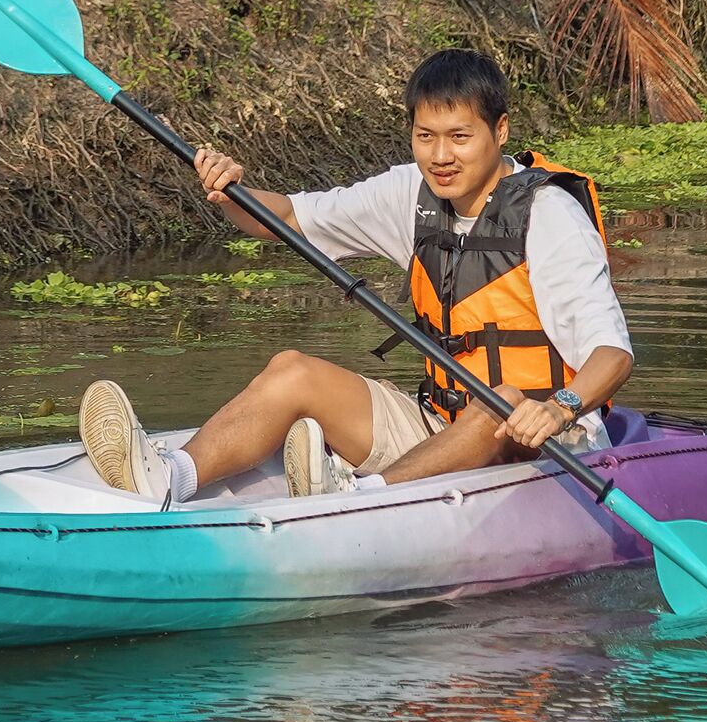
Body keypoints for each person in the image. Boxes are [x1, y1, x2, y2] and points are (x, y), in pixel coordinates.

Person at [74, 47, 634, 505]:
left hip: (546, 444)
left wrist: (559, 406)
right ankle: (171, 477)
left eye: (459, 137)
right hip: (439, 423)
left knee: (499, 400)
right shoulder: (411, 194)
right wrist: (228, 190)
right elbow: (286, 219)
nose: (440, 156)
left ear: (500, 130)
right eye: (425, 136)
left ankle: (359, 499)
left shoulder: (550, 216)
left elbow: (613, 353)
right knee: (292, 371)